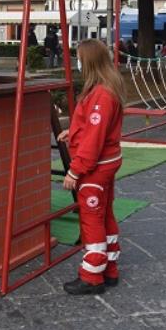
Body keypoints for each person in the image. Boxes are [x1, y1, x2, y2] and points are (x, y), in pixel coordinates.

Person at [56, 39, 124, 295]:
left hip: (95, 168)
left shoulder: (101, 95)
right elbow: (92, 127)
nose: (77, 62)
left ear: (89, 61)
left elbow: (94, 139)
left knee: (91, 218)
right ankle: (109, 269)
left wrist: (75, 170)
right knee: (105, 214)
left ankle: (91, 276)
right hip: (106, 163)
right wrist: (72, 132)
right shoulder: (106, 89)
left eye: (79, 57)